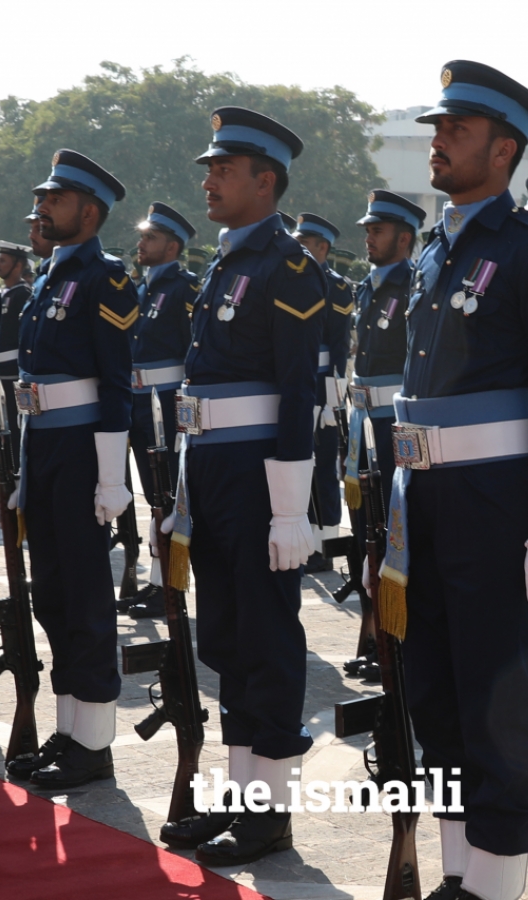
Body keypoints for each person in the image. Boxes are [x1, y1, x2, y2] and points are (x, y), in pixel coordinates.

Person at [377, 61, 528, 900]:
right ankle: (458, 874)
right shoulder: (435, 250)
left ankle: (501, 885)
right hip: (423, 504)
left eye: (456, 131)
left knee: (497, 695)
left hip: (497, 507)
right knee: (433, 690)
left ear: (504, 150)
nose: (437, 142)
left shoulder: (520, 249)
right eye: (435, 129)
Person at [160, 107, 326, 866]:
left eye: (223, 169)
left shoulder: (288, 266)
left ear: (266, 181)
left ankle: (270, 815)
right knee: (226, 640)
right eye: (209, 168)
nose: (209, 180)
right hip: (216, 471)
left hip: (262, 477)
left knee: (266, 638)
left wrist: (292, 509)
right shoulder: (228, 261)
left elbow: (299, 392)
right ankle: (238, 798)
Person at [8, 149, 138, 789]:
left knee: (85, 598)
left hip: (85, 450)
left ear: (88, 212)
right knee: (53, 594)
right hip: (46, 448)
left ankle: (93, 744)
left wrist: (112, 477)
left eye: (54, 200)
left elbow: (117, 386)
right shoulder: (49, 275)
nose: (41, 208)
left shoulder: (105, 279)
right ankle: (68, 731)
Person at [340, 190, 425, 681]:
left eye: (377, 230)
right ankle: (375, 636)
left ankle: (399, 640)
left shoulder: (411, 286)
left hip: (395, 427)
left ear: (404, 238)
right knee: (364, 533)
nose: (368, 237)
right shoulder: (369, 288)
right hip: (363, 428)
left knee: (395, 533)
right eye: (367, 230)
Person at [125, 203, 198, 619]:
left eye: (150, 238)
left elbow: (194, 352)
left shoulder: (184, 289)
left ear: (172, 246)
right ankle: (158, 581)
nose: (141, 243)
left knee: (170, 496)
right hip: (138, 404)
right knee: (153, 497)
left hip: (167, 406)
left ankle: (173, 584)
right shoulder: (141, 287)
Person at [291, 213, 354, 572]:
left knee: (324, 469)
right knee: (300, 465)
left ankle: (328, 544)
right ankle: (306, 540)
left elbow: (340, 348)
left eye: (305, 243)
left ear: (322, 248)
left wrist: (332, 400)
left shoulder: (337, 286)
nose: (297, 248)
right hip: (296, 384)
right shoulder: (290, 278)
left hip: (321, 387)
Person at [0, 240, 33, 463]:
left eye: (3, 260)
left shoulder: (23, 294)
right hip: (0, 375)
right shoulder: (3, 293)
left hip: (19, 378)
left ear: (17, 266)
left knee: (24, 426)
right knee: (3, 430)